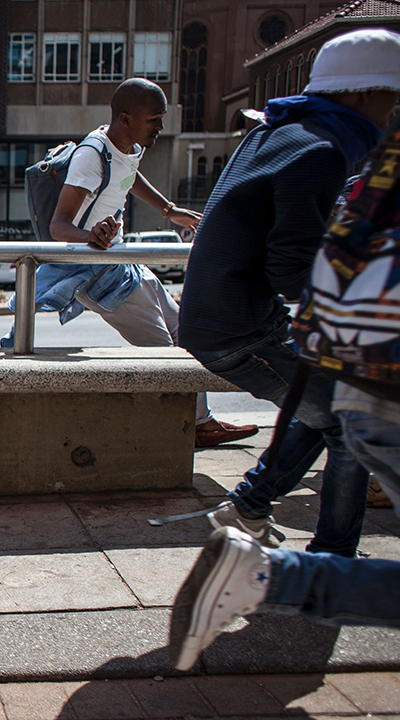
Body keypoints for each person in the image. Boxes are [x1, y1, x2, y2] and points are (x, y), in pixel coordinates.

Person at [179, 29, 400, 558]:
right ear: (366, 94)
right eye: (392, 100)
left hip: (226, 317)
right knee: (350, 423)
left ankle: (250, 505)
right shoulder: (324, 152)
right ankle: (331, 558)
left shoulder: (278, 130)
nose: (392, 114)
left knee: (322, 408)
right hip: (241, 329)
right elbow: (291, 270)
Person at [3, 78, 257, 448]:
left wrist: (170, 211)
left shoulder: (127, 146)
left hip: (123, 262)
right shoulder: (92, 156)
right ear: (125, 118)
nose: (160, 128)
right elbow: (59, 226)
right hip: (100, 274)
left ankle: (200, 422)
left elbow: (128, 175)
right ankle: (183, 429)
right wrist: (89, 237)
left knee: (185, 332)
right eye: (154, 119)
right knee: (165, 356)